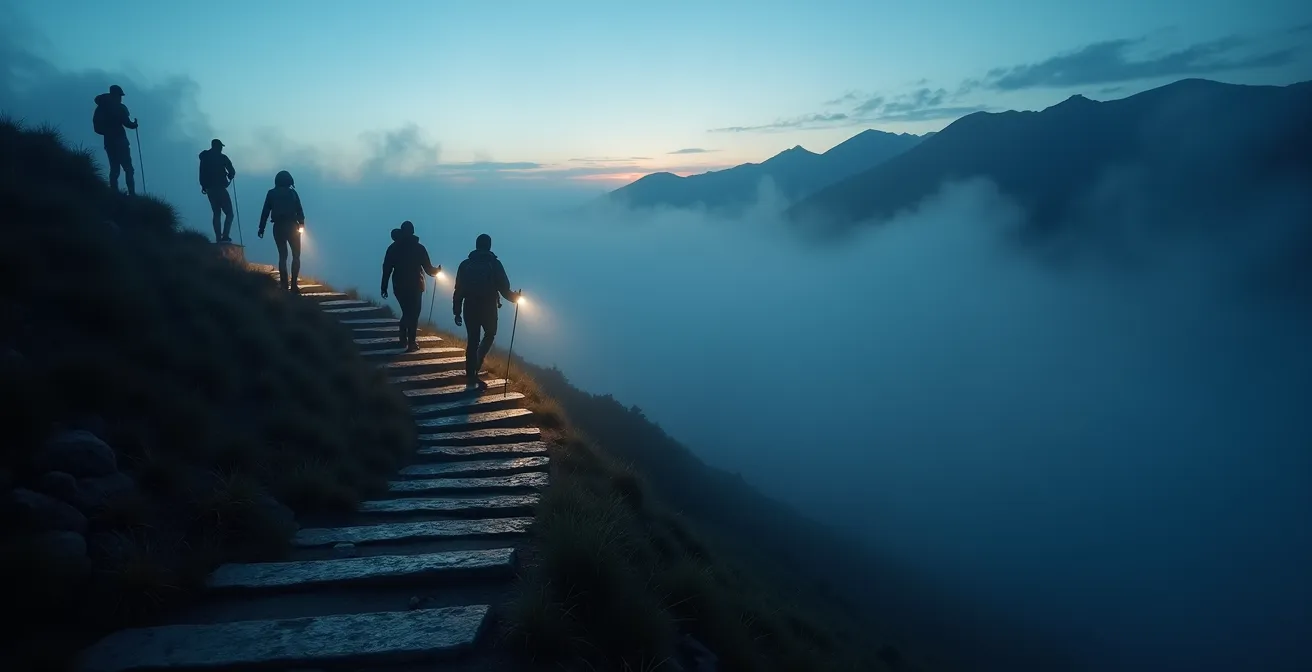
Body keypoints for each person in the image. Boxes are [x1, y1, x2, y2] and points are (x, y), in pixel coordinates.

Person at [452, 233, 519, 390]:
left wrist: (456, 311)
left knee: (472, 340)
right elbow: (504, 288)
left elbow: (459, 289)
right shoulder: (494, 264)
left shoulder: (465, 264)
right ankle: (478, 361)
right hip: (488, 307)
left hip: (469, 307)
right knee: (490, 334)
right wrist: (515, 298)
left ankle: (470, 373)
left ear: (476, 245)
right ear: (489, 246)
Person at [380, 221, 441, 352]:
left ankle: (404, 340)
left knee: (407, 312)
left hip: (399, 285)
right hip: (416, 286)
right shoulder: (419, 248)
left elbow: (387, 268)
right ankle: (411, 342)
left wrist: (384, 286)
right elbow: (428, 269)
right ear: (412, 232)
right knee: (413, 313)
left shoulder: (393, 248)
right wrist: (437, 271)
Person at [257, 170, 305, 292]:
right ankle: (294, 285)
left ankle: (284, 285)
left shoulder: (271, 193)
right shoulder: (293, 193)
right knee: (296, 256)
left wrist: (261, 228)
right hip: (292, 227)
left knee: (282, 256)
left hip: (278, 227)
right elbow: (300, 211)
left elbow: (265, 212)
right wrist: (302, 225)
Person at [91, 85, 138, 195]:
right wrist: (134, 124)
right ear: (116, 95)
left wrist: (107, 132)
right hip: (121, 140)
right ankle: (132, 194)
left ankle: (114, 192)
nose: (121, 98)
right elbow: (127, 124)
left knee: (114, 168)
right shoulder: (119, 107)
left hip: (108, 142)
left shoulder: (100, 108)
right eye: (120, 95)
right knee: (128, 169)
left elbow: (96, 127)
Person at [198, 139, 237, 243]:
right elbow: (232, 171)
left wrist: (203, 186)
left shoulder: (205, 157)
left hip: (209, 189)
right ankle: (225, 236)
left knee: (216, 213)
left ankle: (218, 239)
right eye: (220, 146)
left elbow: (201, 172)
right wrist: (230, 176)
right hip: (220, 188)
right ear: (218, 146)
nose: (221, 148)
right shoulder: (222, 157)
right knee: (229, 213)